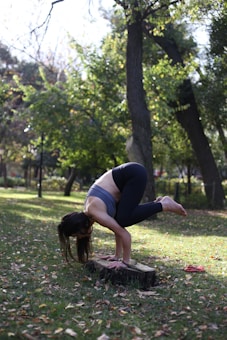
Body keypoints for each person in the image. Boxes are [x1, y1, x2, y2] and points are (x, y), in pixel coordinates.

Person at [58, 162, 187, 269]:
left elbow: (124, 234)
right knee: (121, 220)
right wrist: (116, 256)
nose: (78, 237)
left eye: (76, 234)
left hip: (133, 174)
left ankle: (163, 205)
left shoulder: (95, 212)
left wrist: (124, 262)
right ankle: (160, 203)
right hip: (130, 174)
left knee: (123, 220)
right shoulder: (92, 212)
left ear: (79, 227)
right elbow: (117, 229)